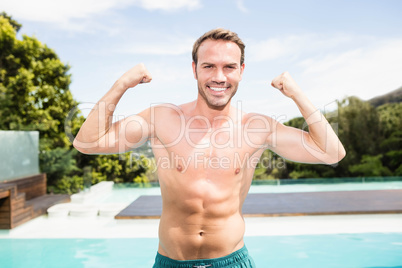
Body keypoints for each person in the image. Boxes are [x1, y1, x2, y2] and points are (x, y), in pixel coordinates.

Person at [73, 28, 346, 267]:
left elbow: (331, 152)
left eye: (229, 67)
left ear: (241, 70)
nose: (219, 77)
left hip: (232, 261)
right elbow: (88, 143)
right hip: (171, 263)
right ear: (194, 69)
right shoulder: (163, 119)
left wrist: (297, 94)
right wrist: (122, 84)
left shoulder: (257, 128)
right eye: (208, 66)